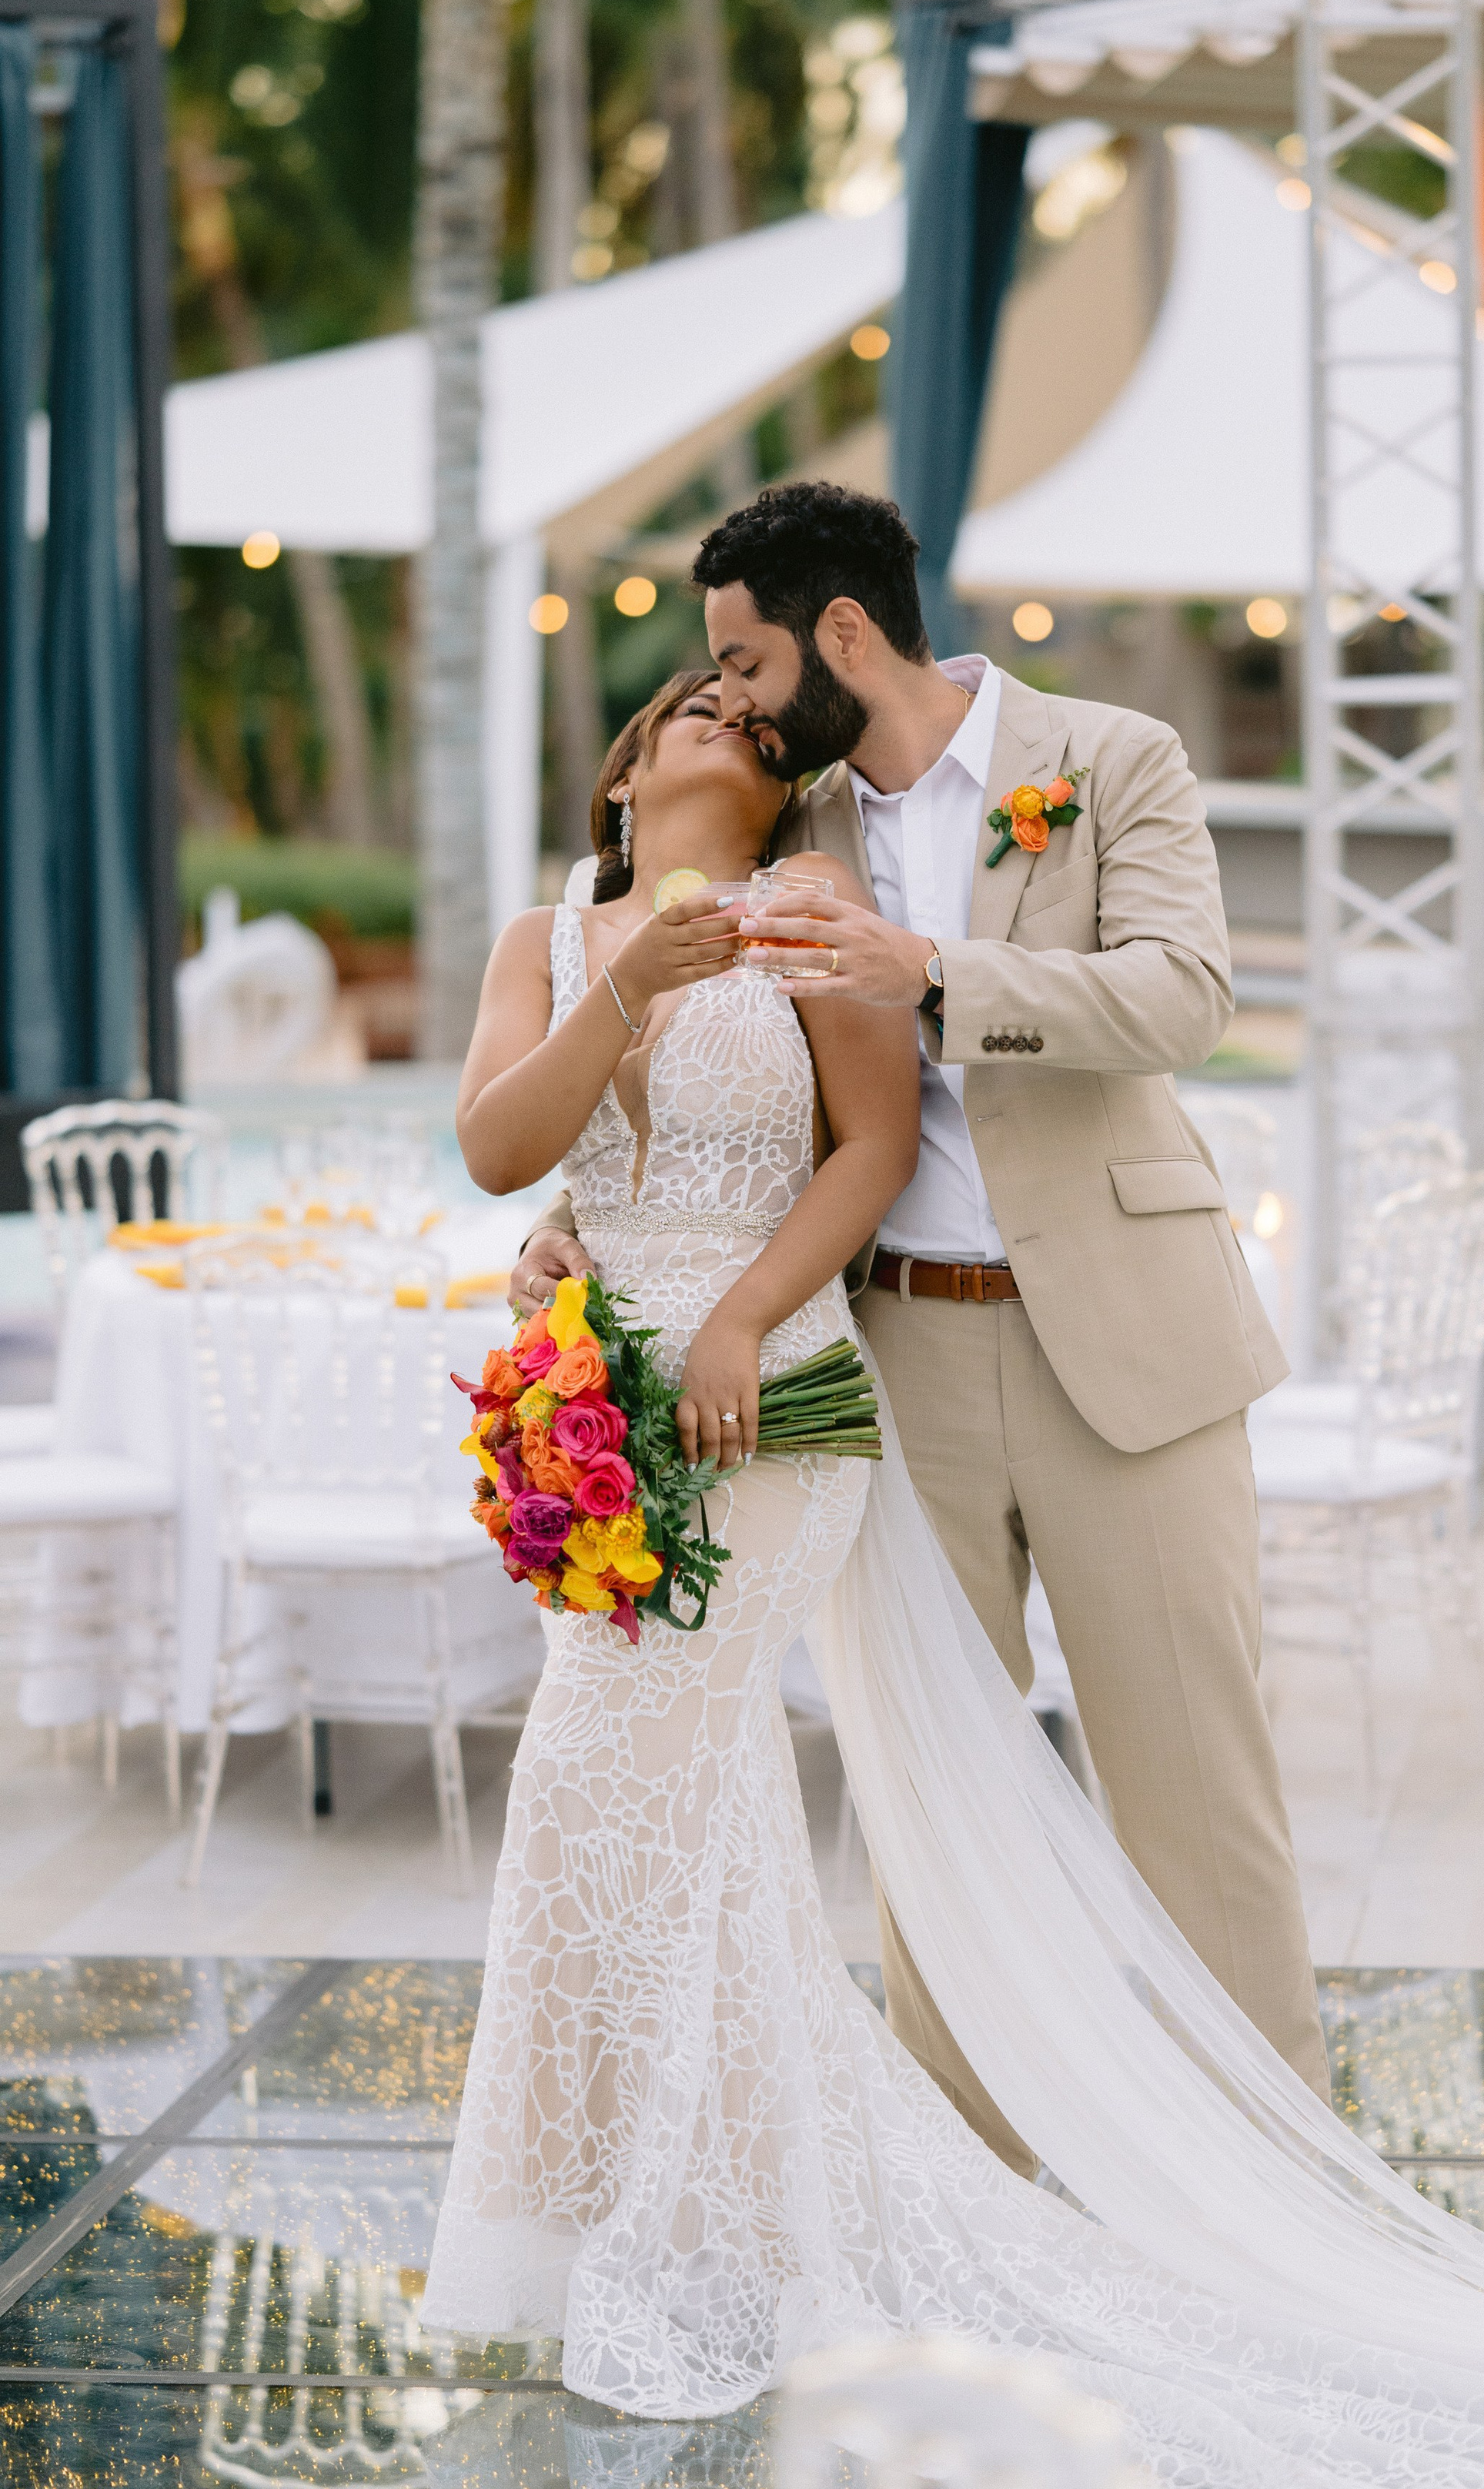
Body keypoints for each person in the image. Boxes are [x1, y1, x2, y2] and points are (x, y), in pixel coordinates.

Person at [426, 644, 1484, 2489]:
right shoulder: (543, 938)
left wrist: (741, 1301)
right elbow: (504, 1147)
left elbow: (885, 1142)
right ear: (624, 763)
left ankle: (1181, 2206)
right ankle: (649, 2220)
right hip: (604, 1399)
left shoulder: (817, 904)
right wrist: (617, 1039)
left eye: (764, 720)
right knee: (627, 1799)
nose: (735, 730)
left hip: (781, 1402)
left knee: (701, 1782)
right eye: (698, 708)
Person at [513, 482, 1329, 2170]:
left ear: (843, 635)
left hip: (1127, 1348)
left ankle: (1275, 2186)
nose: (724, 701)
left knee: (1196, 1800)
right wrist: (576, 1222)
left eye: (741, 661)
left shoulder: (1107, 761)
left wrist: (929, 969)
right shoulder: (781, 825)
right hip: (892, 1365)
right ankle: (989, 2190)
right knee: (933, 1813)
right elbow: (720, 1098)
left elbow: (1185, 995)